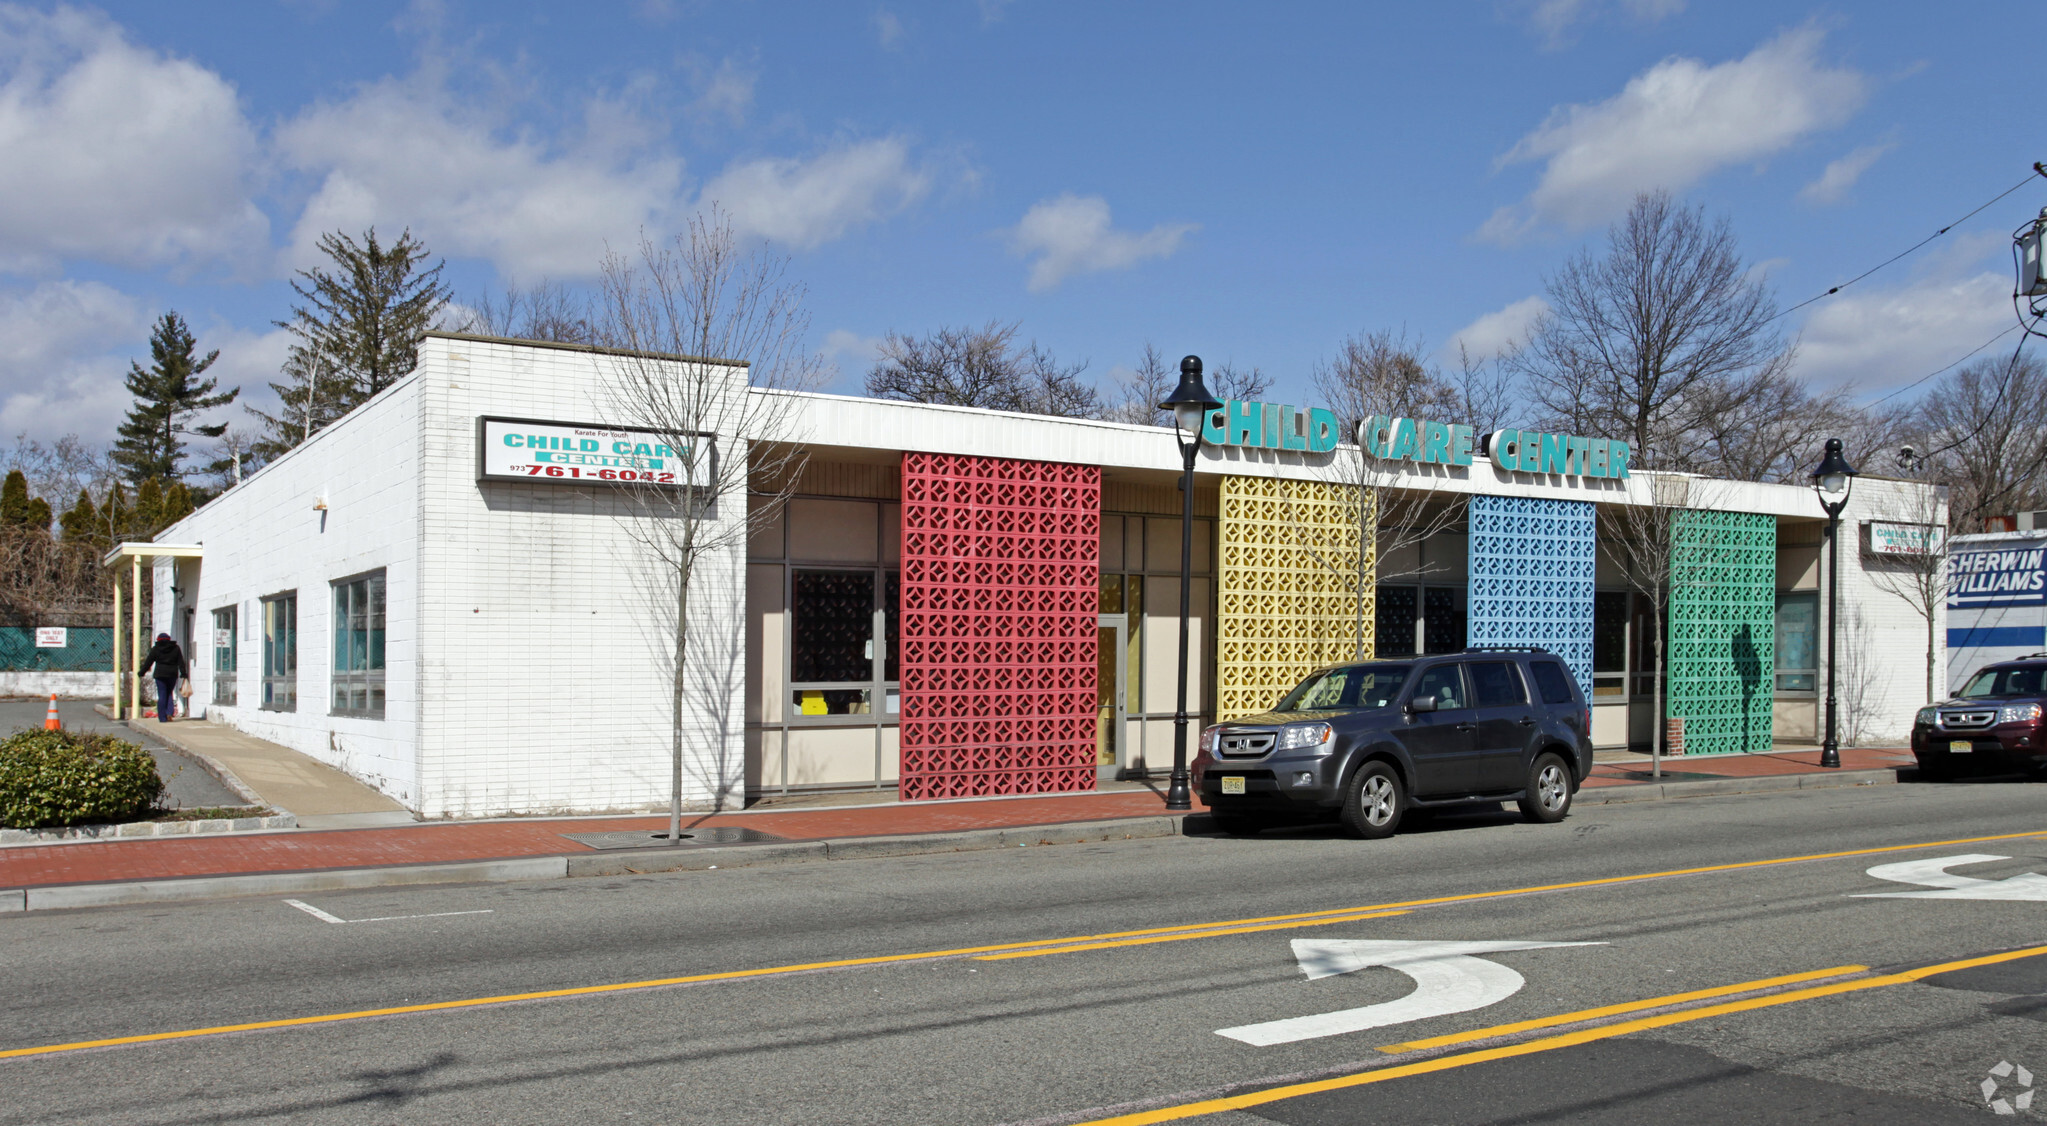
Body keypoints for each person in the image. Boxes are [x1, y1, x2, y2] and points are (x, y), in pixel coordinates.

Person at [137, 632, 188, 722]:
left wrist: (142, 672)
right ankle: (169, 712)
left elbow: (149, 662)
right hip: (172, 674)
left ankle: (162, 717)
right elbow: (181, 661)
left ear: (158, 640)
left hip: (160, 674)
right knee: (169, 693)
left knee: (162, 694)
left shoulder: (156, 649)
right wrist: (183, 673)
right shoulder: (176, 648)